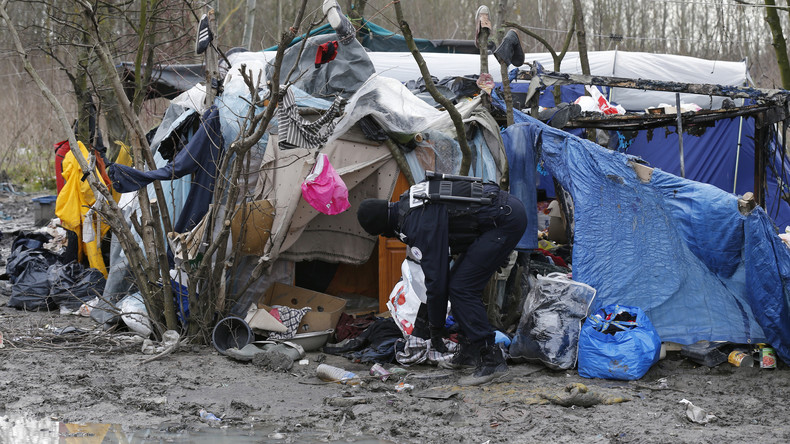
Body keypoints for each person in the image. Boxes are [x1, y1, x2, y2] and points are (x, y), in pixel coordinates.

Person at [357, 172, 527, 386]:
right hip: (501, 214)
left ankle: (491, 359)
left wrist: (436, 328)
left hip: (503, 220)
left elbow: (436, 282)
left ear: (382, 228)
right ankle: (469, 352)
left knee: (462, 288)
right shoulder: (409, 200)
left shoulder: (414, 223)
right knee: (458, 282)